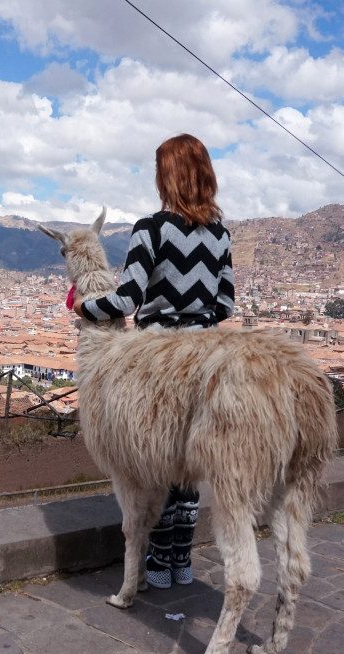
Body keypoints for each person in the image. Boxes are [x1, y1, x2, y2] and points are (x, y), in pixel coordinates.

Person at [74, 133, 235, 590]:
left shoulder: (152, 228)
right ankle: (180, 561)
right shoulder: (221, 234)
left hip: (157, 359)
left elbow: (127, 299)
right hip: (206, 359)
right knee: (190, 459)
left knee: (155, 460)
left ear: (167, 177)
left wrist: (86, 309)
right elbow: (225, 304)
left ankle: (157, 564)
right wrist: (197, 319)